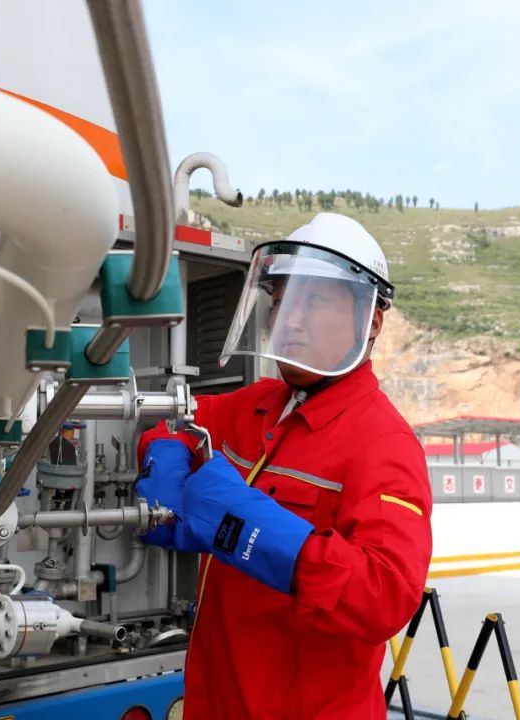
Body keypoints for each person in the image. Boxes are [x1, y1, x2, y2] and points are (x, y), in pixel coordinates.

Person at [136, 213, 433, 719]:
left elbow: (385, 597)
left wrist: (249, 530)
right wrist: (163, 460)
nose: (289, 320)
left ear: (371, 321)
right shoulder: (257, 405)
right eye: (281, 301)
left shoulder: (384, 443)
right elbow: (174, 422)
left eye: (312, 301)